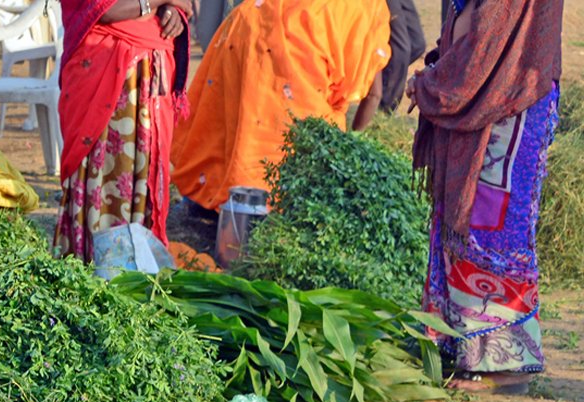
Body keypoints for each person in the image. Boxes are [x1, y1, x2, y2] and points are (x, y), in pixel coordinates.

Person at [410, 0, 563, 392]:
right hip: (488, 93)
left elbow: (487, 42)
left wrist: (431, 85)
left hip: (509, 99)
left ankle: (505, 364)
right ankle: (460, 344)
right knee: (464, 218)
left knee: (491, 229)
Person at [170, 0, 392, 222]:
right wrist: (353, 143)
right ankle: (253, 209)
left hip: (245, 26)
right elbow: (374, 95)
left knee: (234, 121)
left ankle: (203, 196)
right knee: (277, 142)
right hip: (291, 55)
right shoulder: (368, 8)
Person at [54, 0, 194, 261]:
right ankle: (94, 262)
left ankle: (138, 262)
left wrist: (173, 11)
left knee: (143, 173)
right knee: (103, 172)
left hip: (151, 74)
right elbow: (103, 10)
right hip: (103, 68)